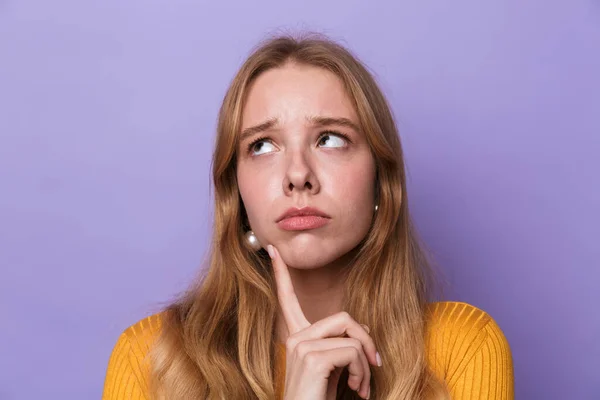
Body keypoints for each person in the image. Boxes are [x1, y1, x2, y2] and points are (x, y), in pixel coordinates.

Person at [102, 34, 514, 400]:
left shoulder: (463, 348)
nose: (298, 175)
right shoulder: (151, 358)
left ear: (381, 182)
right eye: (262, 146)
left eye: (330, 139)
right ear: (236, 192)